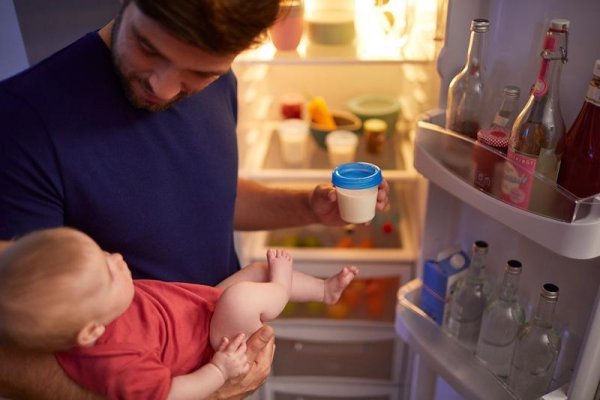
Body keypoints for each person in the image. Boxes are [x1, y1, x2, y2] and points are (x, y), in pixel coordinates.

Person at [0, 0, 390, 398]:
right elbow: (9, 355)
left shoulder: (222, 80)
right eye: (149, 48)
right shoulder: (19, 123)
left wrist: (307, 208)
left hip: (222, 354)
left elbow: (209, 191)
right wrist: (202, 392)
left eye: (198, 73)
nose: (163, 87)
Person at [0, 227, 359, 400]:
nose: (116, 258)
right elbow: (170, 395)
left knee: (253, 273)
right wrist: (220, 371)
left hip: (201, 310)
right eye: (108, 273)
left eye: (102, 254)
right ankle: (280, 289)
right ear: (91, 331)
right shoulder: (115, 362)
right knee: (240, 301)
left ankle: (322, 290)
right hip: (214, 345)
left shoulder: (92, 313)